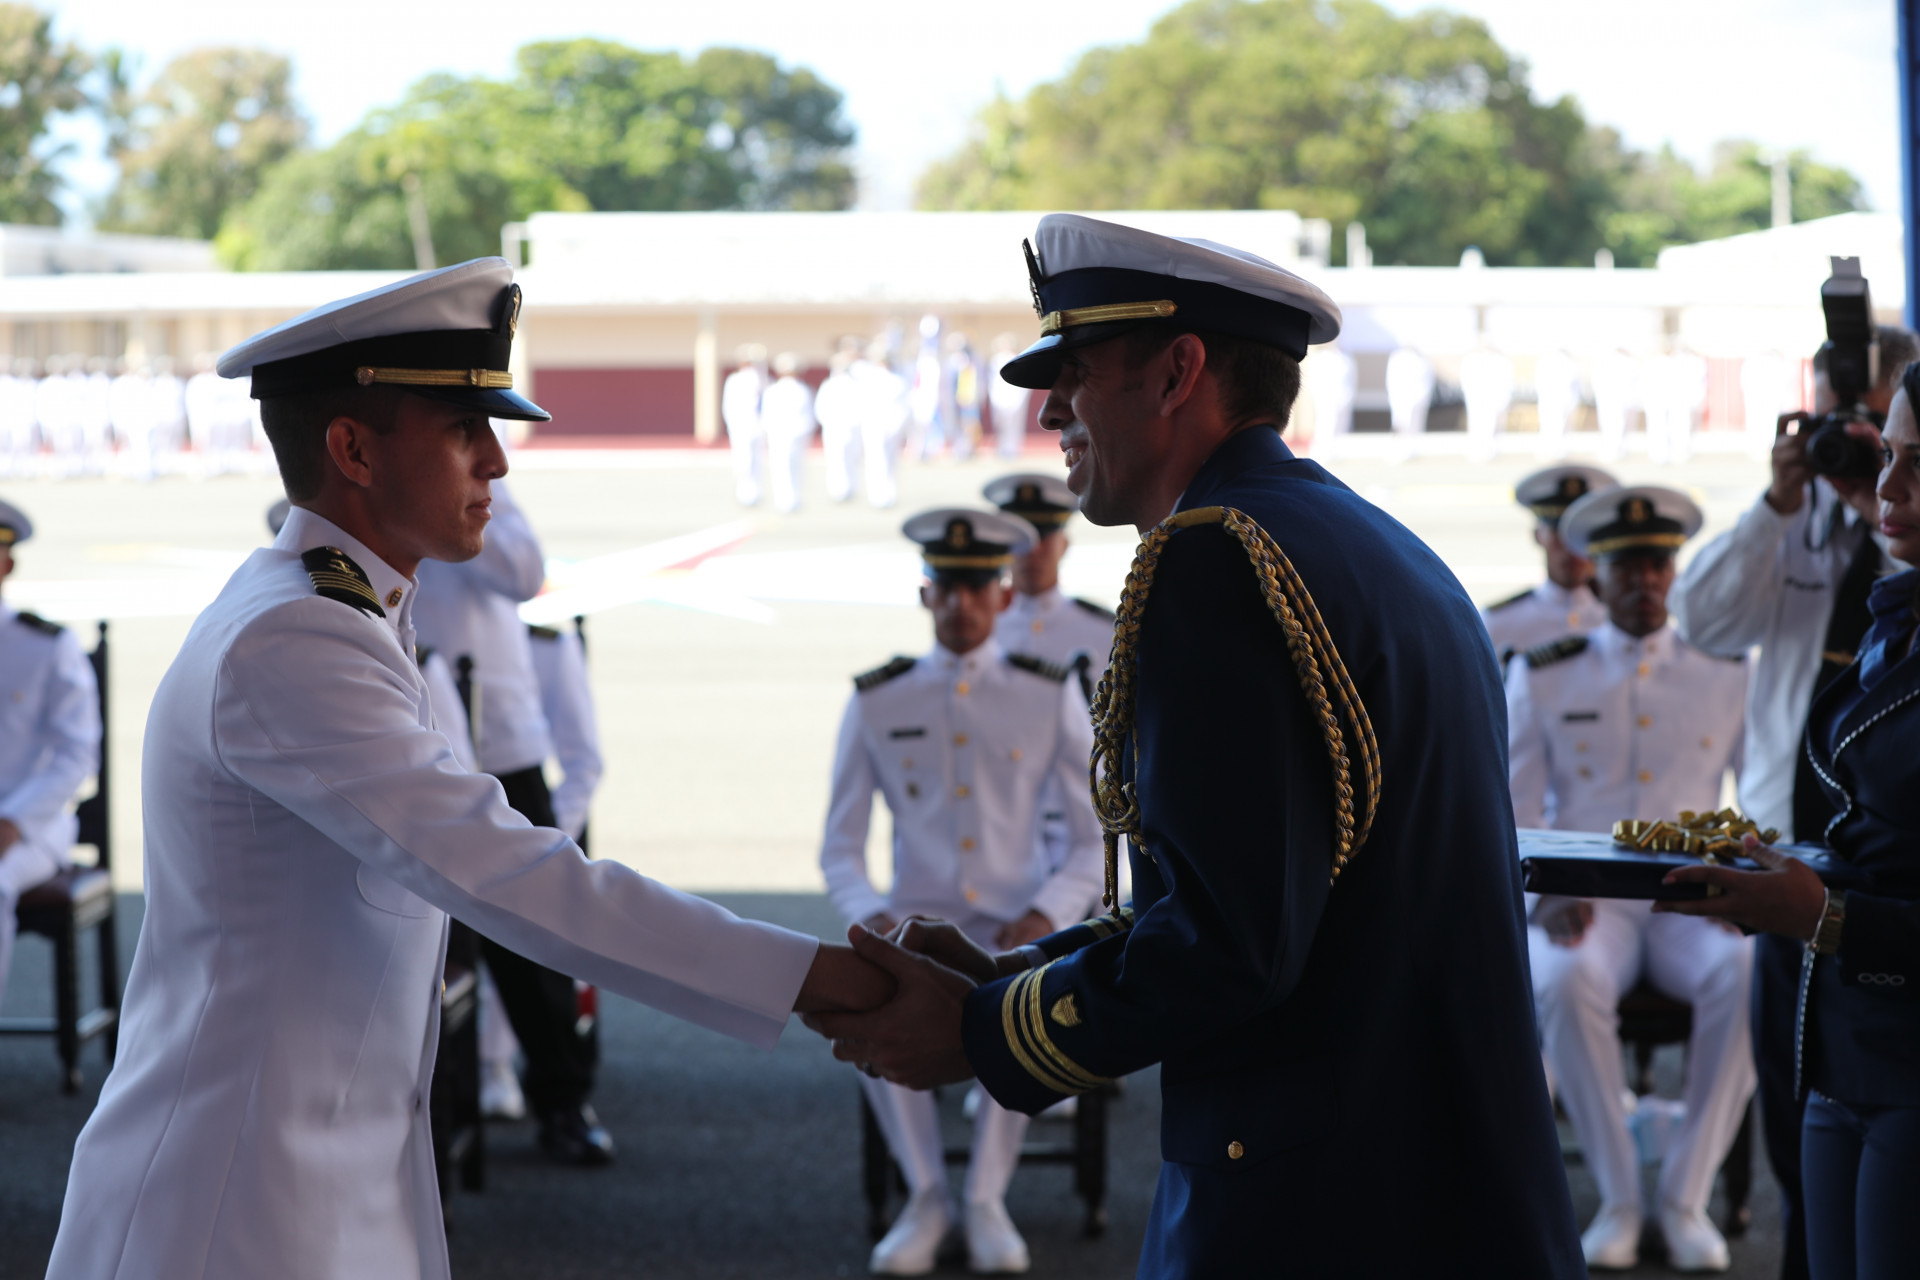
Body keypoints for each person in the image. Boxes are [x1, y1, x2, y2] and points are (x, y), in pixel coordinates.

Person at [46, 259, 888, 1280]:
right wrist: (825, 979)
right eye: (461, 428)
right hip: (229, 1208)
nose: (495, 459)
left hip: (323, 1187)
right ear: (353, 449)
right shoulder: (294, 640)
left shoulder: (352, 616)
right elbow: (515, 876)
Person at [805, 213, 1584, 1277]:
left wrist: (988, 1034)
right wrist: (1022, 972)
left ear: (1178, 372)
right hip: (1433, 1176)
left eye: (1075, 371)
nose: (1050, 408)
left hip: (1317, 1202)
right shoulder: (1363, 541)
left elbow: (1231, 939)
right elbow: (1273, 880)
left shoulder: (1216, 560)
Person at [1655, 364, 1920, 1280]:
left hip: (1871, 958)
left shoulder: (1891, 569)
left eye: (1913, 457)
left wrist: (1827, 917)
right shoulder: (1876, 590)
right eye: (1881, 449)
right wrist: (1782, 502)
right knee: (1810, 1201)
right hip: (1806, 921)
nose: (1886, 480)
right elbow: (1701, 619)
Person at [820, 506, 1103, 1275]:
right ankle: (926, 1196)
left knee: (1021, 995)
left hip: (1016, 922)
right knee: (874, 992)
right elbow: (840, 848)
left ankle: (983, 1199)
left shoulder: (1046, 694)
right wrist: (873, 917)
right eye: (945, 587)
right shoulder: (878, 699)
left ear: (1004, 597)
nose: (960, 605)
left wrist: (1046, 913)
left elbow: (1091, 840)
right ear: (924, 595)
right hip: (914, 924)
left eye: (978, 588)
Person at [1510, 484, 1753, 1272]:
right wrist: (1543, 897)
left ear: (1673, 573)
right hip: (1587, 901)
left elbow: (1759, 794)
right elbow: (1511, 809)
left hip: (1694, 898)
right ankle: (1618, 1198)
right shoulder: (1546, 674)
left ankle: (1684, 1198)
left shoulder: (1725, 671)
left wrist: (1748, 890)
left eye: (1657, 565)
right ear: (1599, 574)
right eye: (1626, 567)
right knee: (1564, 977)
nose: (1644, 581)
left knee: (1749, 969)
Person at [413, 474, 620, 1165]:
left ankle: (562, 1098)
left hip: (502, 738)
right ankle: (432, 1100)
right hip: (412, 732)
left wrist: (451, 498)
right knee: (415, 932)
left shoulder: (482, 492)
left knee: (535, 932)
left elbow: (524, 574)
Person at [0, 498, 101, 1003]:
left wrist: (12, 823)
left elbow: (76, 754)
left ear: (7, 564)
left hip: (29, 827)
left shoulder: (46, 645)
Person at [982, 472, 1113, 688]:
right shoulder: (977, 630)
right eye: (1022, 541)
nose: (1033, 550)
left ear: (1064, 545)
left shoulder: (1107, 632)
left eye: (1043, 537)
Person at [1482, 464, 1620, 665]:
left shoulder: (1623, 621)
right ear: (1538, 535)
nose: (1570, 548)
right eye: (1559, 533)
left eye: (1577, 536)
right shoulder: (1497, 623)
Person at [854, 338, 907, 508]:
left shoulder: (867, 378)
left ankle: (879, 496)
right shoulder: (896, 379)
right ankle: (887, 495)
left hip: (876, 425)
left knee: (876, 461)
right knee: (888, 461)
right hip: (888, 425)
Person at [762, 351, 816, 513]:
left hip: (783, 435)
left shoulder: (774, 390)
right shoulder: (800, 390)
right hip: (791, 434)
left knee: (782, 467)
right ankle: (792, 499)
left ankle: (786, 500)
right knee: (794, 467)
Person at [816, 344, 865, 503]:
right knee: (843, 460)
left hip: (844, 428)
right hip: (838, 427)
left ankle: (843, 490)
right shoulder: (832, 385)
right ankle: (843, 490)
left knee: (842, 460)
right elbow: (821, 409)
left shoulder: (852, 385)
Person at [722, 345, 766, 507]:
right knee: (744, 460)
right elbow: (728, 406)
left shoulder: (760, 378)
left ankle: (753, 492)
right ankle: (745, 493)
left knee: (756, 459)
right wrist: (732, 424)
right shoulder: (735, 380)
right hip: (741, 425)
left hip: (756, 425)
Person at [987, 334, 1032, 457]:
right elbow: (992, 382)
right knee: (1000, 425)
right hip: (999, 398)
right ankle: (1001, 448)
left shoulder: (1017, 359)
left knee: (1015, 425)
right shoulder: (995, 361)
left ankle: (1013, 448)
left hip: (1015, 398)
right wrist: (994, 397)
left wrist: (1020, 399)